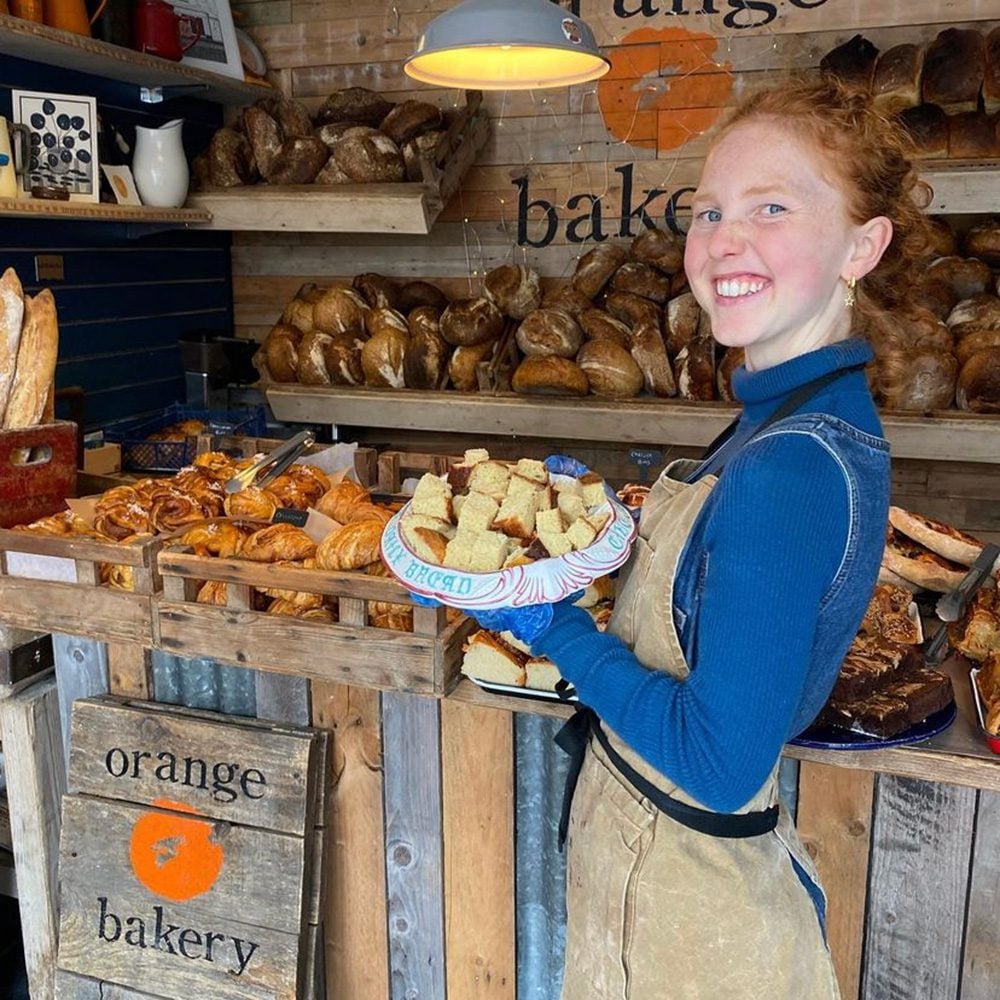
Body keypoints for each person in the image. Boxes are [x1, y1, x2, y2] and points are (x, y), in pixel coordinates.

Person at [460, 76, 935, 999]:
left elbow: (721, 764)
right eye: (709, 210)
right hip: (665, 888)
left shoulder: (791, 465)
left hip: (696, 933)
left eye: (772, 206)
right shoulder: (789, 415)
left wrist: (550, 624)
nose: (725, 242)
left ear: (862, 246)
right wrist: (599, 517)